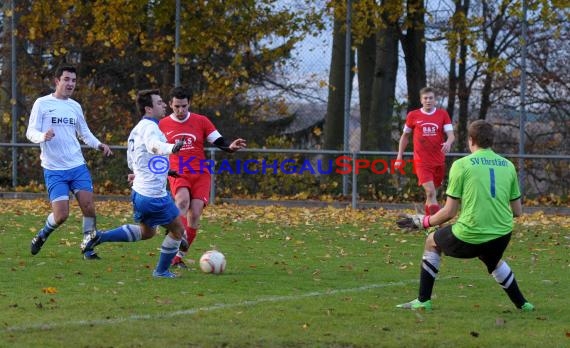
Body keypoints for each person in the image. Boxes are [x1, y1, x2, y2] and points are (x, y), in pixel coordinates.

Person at [395, 120, 534, 312]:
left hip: (471, 234)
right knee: (492, 259)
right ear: (492, 141)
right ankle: (523, 304)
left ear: (471, 140)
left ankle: (423, 300)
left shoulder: (462, 165)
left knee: (431, 241)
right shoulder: (508, 166)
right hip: (502, 235)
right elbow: (518, 212)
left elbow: (449, 212)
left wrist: (423, 221)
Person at [81, 89, 186, 278]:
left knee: (147, 233)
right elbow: (154, 146)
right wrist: (172, 147)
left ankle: (99, 236)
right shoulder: (150, 128)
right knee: (178, 230)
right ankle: (161, 271)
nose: (164, 105)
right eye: (160, 102)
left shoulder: (137, 129)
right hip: (153, 195)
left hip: (139, 193)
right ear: (148, 108)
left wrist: (163, 171)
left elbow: (134, 160)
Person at [26, 64, 113, 260]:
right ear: (57, 81)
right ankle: (42, 235)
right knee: (61, 215)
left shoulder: (75, 106)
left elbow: (84, 133)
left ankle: (87, 247)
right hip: (54, 169)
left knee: (89, 207)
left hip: (77, 165)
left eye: (73, 80)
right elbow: (30, 132)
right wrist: (42, 136)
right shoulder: (42, 103)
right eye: (66, 79)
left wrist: (99, 145)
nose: (70, 83)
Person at [158, 86, 246, 268]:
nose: (180, 110)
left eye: (184, 106)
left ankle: (178, 257)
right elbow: (153, 148)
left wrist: (230, 147)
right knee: (182, 202)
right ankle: (175, 235)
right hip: (178, 170)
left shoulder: (201, 121)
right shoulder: (162, 124)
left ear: (189, 103)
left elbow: (218, 141)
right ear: (170, 105)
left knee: (195, 213)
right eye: (176, 107)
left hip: (200, 173)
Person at [395, 87, 455, 216]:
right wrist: (399, 156)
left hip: (439, 160)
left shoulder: (442, 114)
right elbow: (405, 136)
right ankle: (437, 224)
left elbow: (451, 135)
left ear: (435, 100)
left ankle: (427, 221)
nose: (428, 100)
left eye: (431, 98)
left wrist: (448, 143)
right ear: (421, 100)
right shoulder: (413, 115)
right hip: (421, 161)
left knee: (433, 194)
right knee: (430, 192)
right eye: (425, 98)